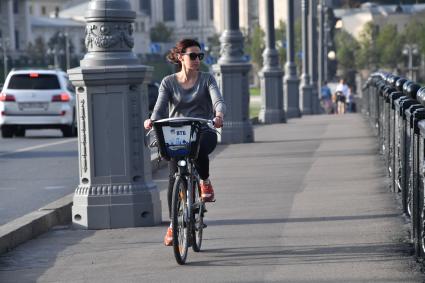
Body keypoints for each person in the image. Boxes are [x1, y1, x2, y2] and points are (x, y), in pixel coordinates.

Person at [144, 39, 226, 246]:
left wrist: (218, 114)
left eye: (200, 56)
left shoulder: (207, 79)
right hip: (176, 133)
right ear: (181, 57)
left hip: (202, 128)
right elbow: (160, 107)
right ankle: (173, 224)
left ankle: (204, 181)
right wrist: (152, 120)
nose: (197, 60)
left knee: (199, 148)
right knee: (174, 176)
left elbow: (217, 99)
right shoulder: (168, 82)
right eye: (193, 56)